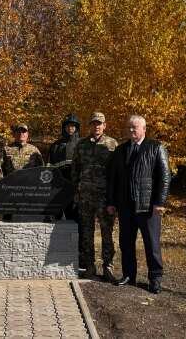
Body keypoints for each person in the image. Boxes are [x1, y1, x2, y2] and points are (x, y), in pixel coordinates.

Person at [106, 115, 171, 294]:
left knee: (152, 244)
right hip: (125, 206)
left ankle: (155, 279)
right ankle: (129, 275)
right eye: (129, 128)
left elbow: (165, 177)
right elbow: (112, 179)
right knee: (126, 243)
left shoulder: (156, 147)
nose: (131, 131)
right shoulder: (120, 150)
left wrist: (159, 202)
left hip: (148, 206)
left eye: (135, 127)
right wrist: (111, 202)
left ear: (144, 129)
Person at [72, 112, 118, 280]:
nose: (96, 126)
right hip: (85, 196)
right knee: (86, 232)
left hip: (104, 197)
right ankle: (89, 266)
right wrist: (76, 190)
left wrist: (114, 197)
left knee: (107, 232)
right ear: (90, 126)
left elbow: (117, 172)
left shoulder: (112, 144)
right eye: (93, 123)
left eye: (99, 123)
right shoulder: (81, 145)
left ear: (104, 125)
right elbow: (75, 169)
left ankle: (108, 267)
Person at [48, 114, 81, 220]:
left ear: (76, 128)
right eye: (67, 126)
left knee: (74, 216)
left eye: (72, 126)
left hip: (76, 185)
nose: (70, 128)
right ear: (64, 128)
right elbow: (50, 166)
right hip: (59, 186)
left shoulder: (82, 144)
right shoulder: (56, 145)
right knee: (57, 215)